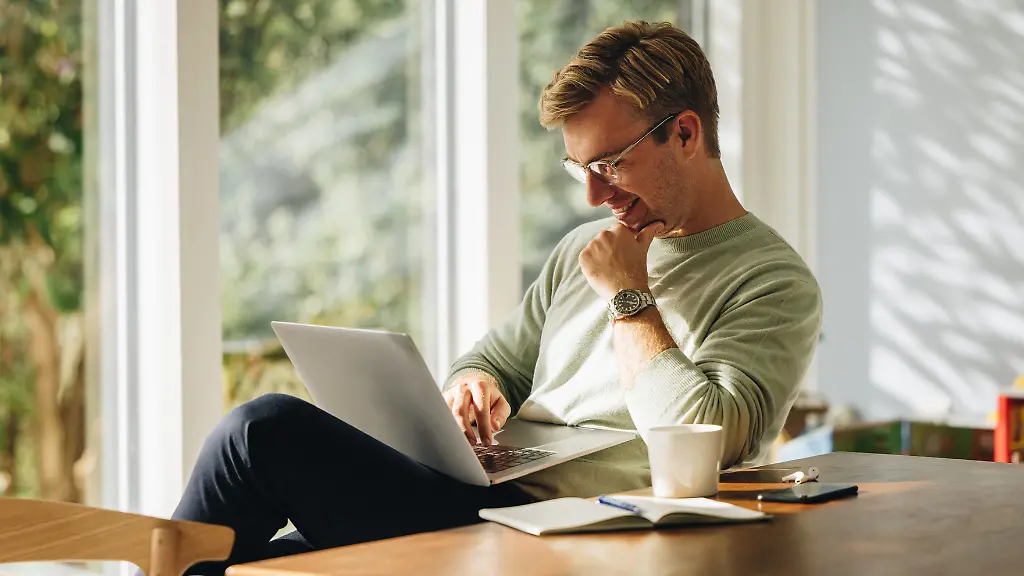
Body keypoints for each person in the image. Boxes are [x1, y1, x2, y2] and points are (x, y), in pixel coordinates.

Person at [171, 21, 822, 575]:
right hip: (475, 490)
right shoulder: (580, 252)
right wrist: (473, 384)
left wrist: (629, 294)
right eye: (581, 170)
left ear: (684, 135)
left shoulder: (773, 283)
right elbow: (495, 360)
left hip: (563, 527)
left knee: (260, 434)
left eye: (610, 164)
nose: (594, 198)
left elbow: (708, 435)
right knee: (257, 562)